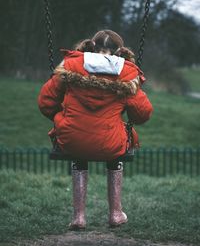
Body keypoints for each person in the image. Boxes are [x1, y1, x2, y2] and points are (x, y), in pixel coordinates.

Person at [38, 30, 153, 230]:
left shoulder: (70, 66)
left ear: (92, 46)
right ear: (119, 52)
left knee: (78, 152)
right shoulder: (126, 74)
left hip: (72, 138)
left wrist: (60, 118)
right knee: (116, 150)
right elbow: (142, 114)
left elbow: (45, 102)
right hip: (110, 143)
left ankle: (79, 217)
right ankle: (116, 214)